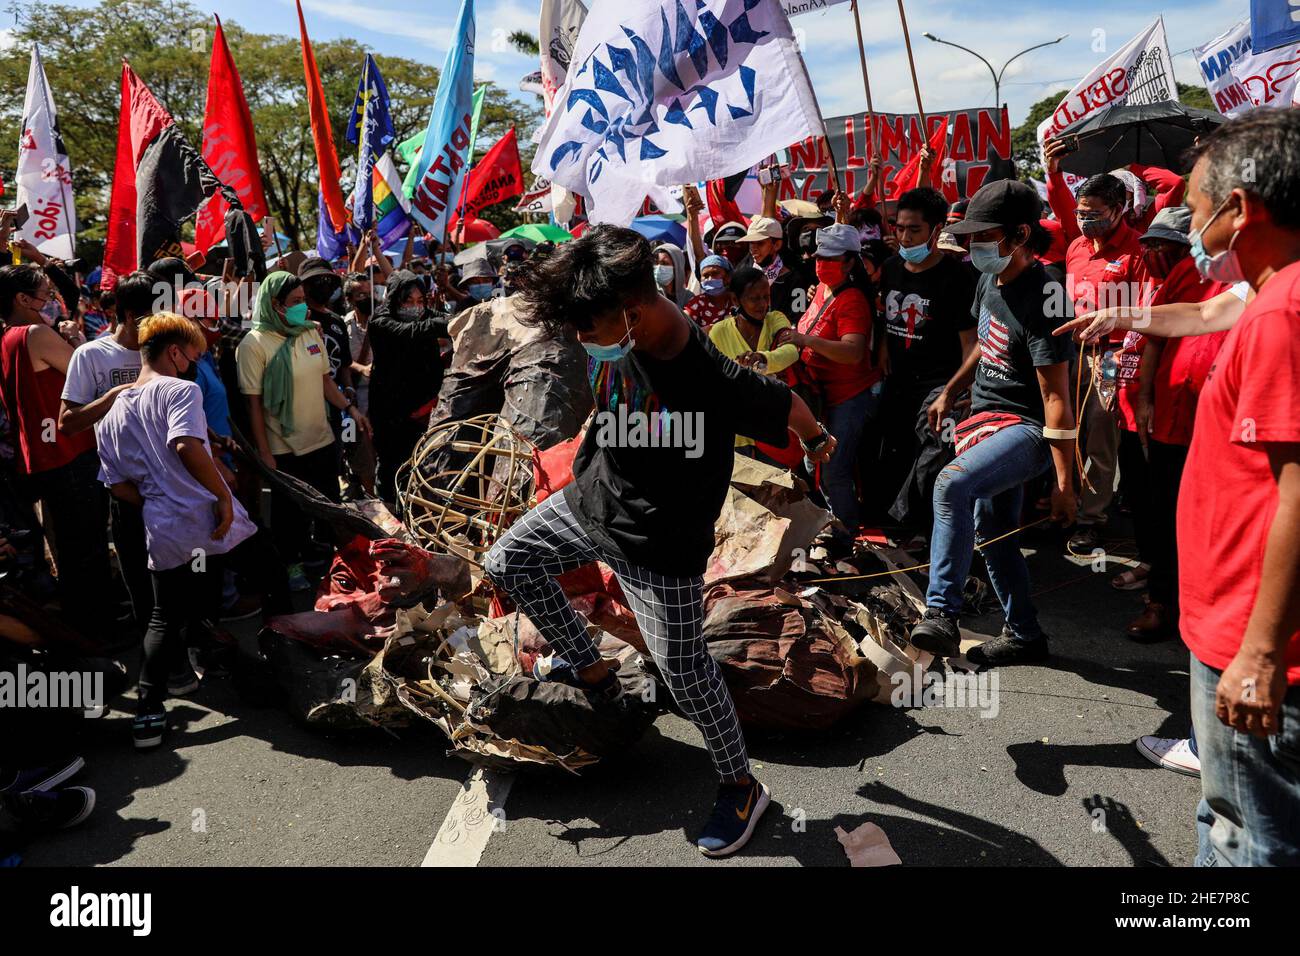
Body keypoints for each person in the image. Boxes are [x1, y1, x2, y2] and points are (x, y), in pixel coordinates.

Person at [485, 225, 834, 858]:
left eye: (589, 331)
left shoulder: (705, 374)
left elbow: (782, 401)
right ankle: (592, 669)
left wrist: (814, 442)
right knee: (509, 560)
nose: (581, 342)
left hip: (658, 541)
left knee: (684, 671)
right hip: (593, 499)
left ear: (634, 314)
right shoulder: (618, 325)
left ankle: (741, 786)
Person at [1059, 110, 1300, 865]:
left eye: (1196, 210)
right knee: (1224, 819)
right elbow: (1202, 310)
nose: (1189, 228)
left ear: (1239, 209)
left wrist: (1260, 653)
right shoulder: (1265, 294)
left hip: (1255, 639)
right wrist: (1127, 313)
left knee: (1251, 839)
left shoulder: (1282, 314)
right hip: (1225, 621)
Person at [96, 313, 290, 750]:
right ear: (175, 352)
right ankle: (287, 658)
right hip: (213, 518)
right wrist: (221, 496)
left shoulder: (111, 414)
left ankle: (148, 711)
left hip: (166, 529)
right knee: (271, 573)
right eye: (195, 357)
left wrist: (160, 501)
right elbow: (184, 444)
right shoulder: (181, 390)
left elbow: (117, 484)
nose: (195, 366)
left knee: (165, 615)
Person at [907, 180, 1076, 667]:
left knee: (951, 486)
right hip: (985, 419)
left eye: (984, 236)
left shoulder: (1048, 294)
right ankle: (1024, 634)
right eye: (969, 237)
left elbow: (1055, 395)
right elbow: (987, 339)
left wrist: (1065, 482)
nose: (972, 245)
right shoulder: (988, 279)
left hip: (1027, 428)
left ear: (1020, 235)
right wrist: (951, 391)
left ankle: (941, 612)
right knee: (994, 530)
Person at [0, 264, 117, 641]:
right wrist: (77, 342)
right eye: (45, 294)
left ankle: (84, 623)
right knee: (87, 547)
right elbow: (89, 376)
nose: (50, 300)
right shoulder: (35, 333)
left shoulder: (7, 336)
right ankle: (97, 630)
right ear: (22, 299)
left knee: (70, 548)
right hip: (68, 454)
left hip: (40, 457)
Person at [236, 272, 368, 590]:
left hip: (321, 437)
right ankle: (291, 564)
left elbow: (326, 382)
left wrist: (351, 409)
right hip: (283, 446)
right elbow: (253, 405)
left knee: (327, 503)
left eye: (303, 301)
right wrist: (264, 451)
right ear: (274, 304)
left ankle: (323, 558)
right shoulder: (253, 345)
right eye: (294, 303)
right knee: (288, 513)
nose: (302, 309)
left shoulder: (310, 333)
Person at [876, 187, 978, 540]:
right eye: (899, 227)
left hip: (939, 383)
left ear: (936, 231)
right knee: (895, 449)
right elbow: (885, 318)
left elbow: (971, 345)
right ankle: (900, 526)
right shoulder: (889, 269)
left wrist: (962, 392)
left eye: (914, 230)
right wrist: (885, 350)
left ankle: (925, 530)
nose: (904, 236)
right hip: (897, 380)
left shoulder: (958, 278)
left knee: (933, 450)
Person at [58, 270, 157, 629]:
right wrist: (112, 396)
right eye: (155, 315)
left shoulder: (161, 348)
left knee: (181, 578)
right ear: (131, 315)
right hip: (127, 490)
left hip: (173, 485)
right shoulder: (91, 355)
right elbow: (67, 423)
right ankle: (158, 667)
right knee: (143, 586)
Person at [775, 222, 879, 558]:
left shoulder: (852, 301)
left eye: (831, 258)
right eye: (819, 257)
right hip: (819, 397)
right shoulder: (821, 288)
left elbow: (852, 351)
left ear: (850, 262)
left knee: (833, 470)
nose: (821, 263)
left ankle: (846, 543)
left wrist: (805, 340)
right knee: (814, 465)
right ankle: (832, 530)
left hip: (846, 397)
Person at [1058, 173, 1150, 552]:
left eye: (1094, 213)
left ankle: (1091, 519)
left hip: (1110, 356)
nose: (1085, 220)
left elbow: (1144, 312)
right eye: (1081, 212)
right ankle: (1064, 503)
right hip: (1071, 353)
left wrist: (1121, 357)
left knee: (1099, 432)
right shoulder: (1076, 247)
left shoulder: (1138, 251)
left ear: (1118, 209)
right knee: (1067, 429)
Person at [367, 269, 449, 503]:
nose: (415, 307)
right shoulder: (380, 322)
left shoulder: (424, 315)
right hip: (392, 413)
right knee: (394, 466)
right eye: (408, 301)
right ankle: (390, 507)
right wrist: (448, 323)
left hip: (425, 408)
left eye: (420, 301)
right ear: (394, 300)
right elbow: (415, 331)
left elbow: (441, 319)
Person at [707, 267, 800, 459]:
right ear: (735, 300)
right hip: (737, 437)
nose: (763, 304)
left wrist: (763, 359)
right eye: (754, 298)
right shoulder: (719, 332)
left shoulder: (775, 319)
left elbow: (791, 351)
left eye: (766, 297)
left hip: (774, 431)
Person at [683, 254, 734, 331]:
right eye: (706, 276)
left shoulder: (736, 300)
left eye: (715, 273)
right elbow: (682, 326)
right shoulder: (697, 303)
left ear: (728, 277)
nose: (710, 279)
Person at [653, 243, 691, 308]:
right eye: (656, 263)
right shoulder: (650, 297)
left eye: (664, 263)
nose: (658, 267)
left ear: (677, 266)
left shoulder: (688, 298)